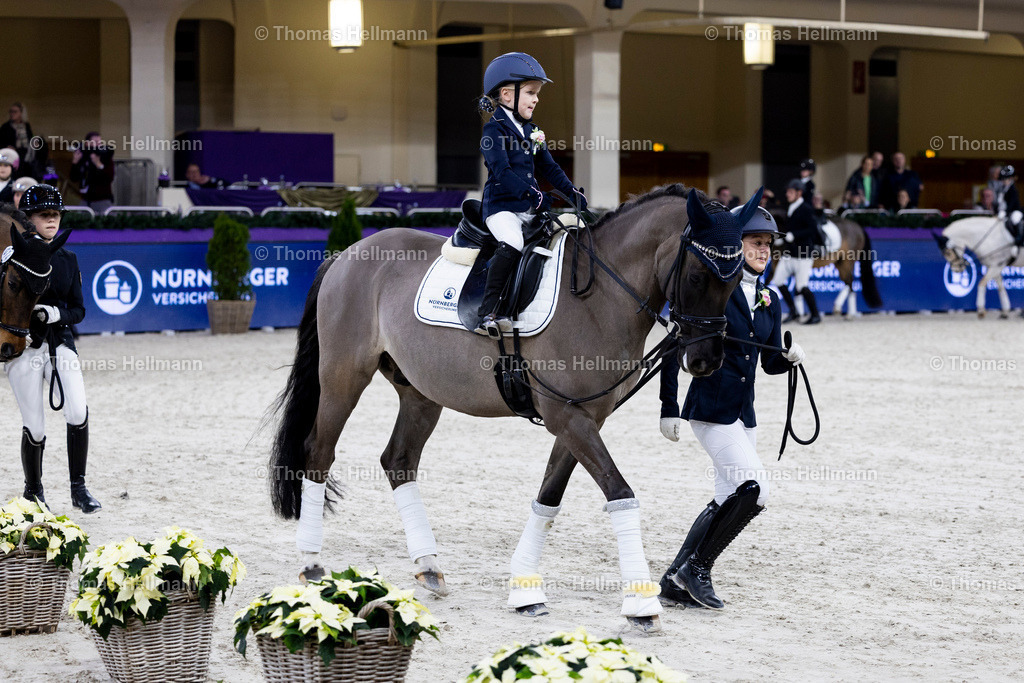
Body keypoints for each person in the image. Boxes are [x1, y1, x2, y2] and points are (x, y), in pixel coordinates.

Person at [657, 203, 805, 610]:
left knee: (726, 497)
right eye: (756, 242)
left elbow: (769, 361)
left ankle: (673, 579)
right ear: (737, 246)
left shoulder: (770, 299)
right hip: (710, 409)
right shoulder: (716, 290)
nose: (764, 250)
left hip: (744, 413)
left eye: (768, 244)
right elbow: (673, 344)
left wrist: (789, 358)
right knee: (754, 490)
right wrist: (669, 405)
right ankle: (697, 569)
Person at [5, 184, 101, 513]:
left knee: (77, 410)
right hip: (25, 346)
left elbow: (79, 310)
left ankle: (79, 488)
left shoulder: (68, 259)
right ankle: (34, 491)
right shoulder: (10, 257)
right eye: (44, 214)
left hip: (59, 341)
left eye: (56, 214)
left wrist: (56, 314)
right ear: (29, 219)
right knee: (35, 424)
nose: (52, 220)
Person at [477, 52, 585, 337]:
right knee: (513, 242)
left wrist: (571, 192)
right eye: (530, 93)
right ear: (506, 95)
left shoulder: (534, 131)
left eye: (537, 94)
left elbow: (549, 168)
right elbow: (502, 171)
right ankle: (488, 311)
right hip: (501, 208)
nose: (536, 99)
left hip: (529, 207)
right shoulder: (493, 130)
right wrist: (532, 195)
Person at [772, 180, 823, 324]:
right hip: (789, 253)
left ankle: (815, 315)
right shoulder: (790, 207)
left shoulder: (806, 208)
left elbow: (812, 229)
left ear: (799, 193)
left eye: (790, 192)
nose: (787, 194)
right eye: (787, 192)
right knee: (778, 280)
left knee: (802, 286)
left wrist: (794, 235)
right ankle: (793, 311)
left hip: (803, 254)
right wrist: (783, 239)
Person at [69, 132, 115, 214]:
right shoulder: (84, 157)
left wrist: (98, 164)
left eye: (100, 142)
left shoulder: (105, 157)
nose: (99, 145)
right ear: (87, 144)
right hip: (86, 200)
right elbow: (74, 178)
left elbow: (109, 178)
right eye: (96, 142)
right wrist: (75, 162)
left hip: (102, 200)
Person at [0, 102, 48, 180]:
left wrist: (34, 143)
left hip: (26, 156)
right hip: (13, 156)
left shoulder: (26, 126)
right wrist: (7, 147)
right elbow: (1, 142)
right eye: (11, 111)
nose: (12, 114)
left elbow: (30, 139)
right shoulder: (6, 127)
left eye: (15, 112)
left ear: (21, 113)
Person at [995, 165, 1022, 257]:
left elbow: (1012, 203)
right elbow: (999, 202)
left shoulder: (1013, 189)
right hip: (1004, 211)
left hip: (1014, 211)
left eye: (1005, 179)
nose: (1004, 181)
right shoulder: (1002, 189)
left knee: (1015, 219)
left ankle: (1018, 241)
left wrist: (1005, 212)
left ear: (1011, 179)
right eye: (1003, 179)